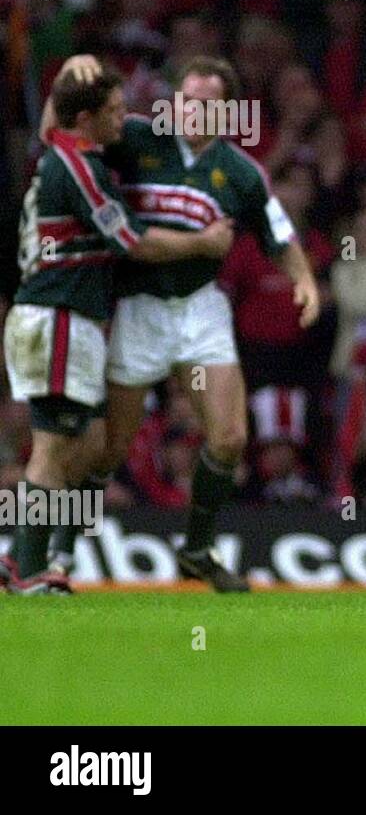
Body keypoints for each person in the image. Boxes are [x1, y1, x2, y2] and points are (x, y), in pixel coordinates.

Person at [41, 55, 321, 592]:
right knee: (110, 448)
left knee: (230, 438)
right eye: (185, 99)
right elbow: (61, 127)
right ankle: (61, 554)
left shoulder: (241, 172)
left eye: (204, 103)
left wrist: (303, 280)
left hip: (200, 306)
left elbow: (277, 234)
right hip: (140, 306)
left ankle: (195, 548)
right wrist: (69, 80)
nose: (190, 111)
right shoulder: (138, 138)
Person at [1, 61, 232, 593]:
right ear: (84, 117)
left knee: (85, 445)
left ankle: (26, 554)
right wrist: (204, 242)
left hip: (69, 319)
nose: (123, 118)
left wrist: (67, 70)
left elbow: (55, 121)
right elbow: (132, 241)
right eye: (112, 111)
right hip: (56, 315)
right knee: (54, 448)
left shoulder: (71, 152)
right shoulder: (78, 167)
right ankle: (25, 566)